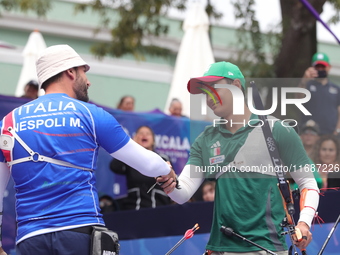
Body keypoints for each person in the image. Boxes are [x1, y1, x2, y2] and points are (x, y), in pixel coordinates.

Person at [0, 45, 174, 255]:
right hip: (80, 233)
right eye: (84, 71)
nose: (88, 81)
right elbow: (147, 163)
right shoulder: (90, 114)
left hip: (30, 239)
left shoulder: (8, 123)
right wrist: (166, 170)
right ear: (70, 72)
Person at [157, 61, 319, 254]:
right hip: (219, 248)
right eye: (205, 93)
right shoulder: (205, 139)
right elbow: (182, 193)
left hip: (266, 248)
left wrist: (304, 223)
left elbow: (308, 183)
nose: (208, 98)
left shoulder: (278, 130)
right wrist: (170, 182)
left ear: (235, 86)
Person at [110, 125, 172, 210]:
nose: (144, 135)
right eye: (141, 133)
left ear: (153, 140)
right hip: (134, 209)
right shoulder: (130, 159)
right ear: (135, 138)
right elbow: (114, 166)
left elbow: (172, 180)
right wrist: (130, 146)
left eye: (148, 133)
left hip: (161, 209)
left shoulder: (163, 159)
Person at [297, 52, 340, 135]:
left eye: (323, 66)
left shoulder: (336, 89)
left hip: (329, 133)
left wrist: (337, 130)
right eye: (317, 67)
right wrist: (304, 80)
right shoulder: (307, 85)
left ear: (329, 67)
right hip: (308, 132)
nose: (320, 69)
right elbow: (298, 99)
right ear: (312, 68)